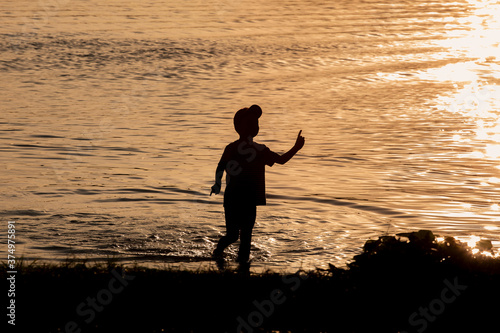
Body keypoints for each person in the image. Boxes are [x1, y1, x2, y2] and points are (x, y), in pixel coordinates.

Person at [210, 104, 305, 264]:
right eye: (249, 123)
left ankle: (243, 268)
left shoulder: (261, 150)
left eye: (256, 123)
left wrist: (296, 148)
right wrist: (217, 184)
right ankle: (218, 253)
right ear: (238, 127)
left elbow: (281, 160)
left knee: (246, 236)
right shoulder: (232, 148)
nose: (254, 126)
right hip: (233, 198)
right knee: (233, 235)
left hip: (250, 199)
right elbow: (221, 166)